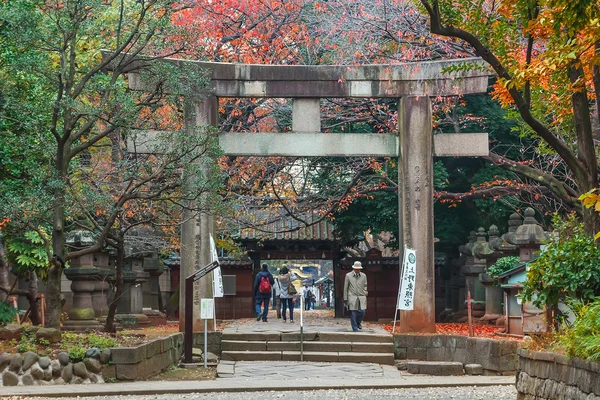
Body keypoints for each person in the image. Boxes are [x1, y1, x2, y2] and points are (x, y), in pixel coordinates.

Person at [344, 261, 368, 332]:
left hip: (361, 296)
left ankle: (358, 322)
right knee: (353, 312)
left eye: (359, 269)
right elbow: (346, 288)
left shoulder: (363, 276)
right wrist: (345, 298)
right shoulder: (348, 275)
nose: (357, 270)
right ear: (354, 268)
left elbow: (365, 285)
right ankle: (354, 327)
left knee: (362, 311)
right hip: (352, 296)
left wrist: (365, 292)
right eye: (356, 269)